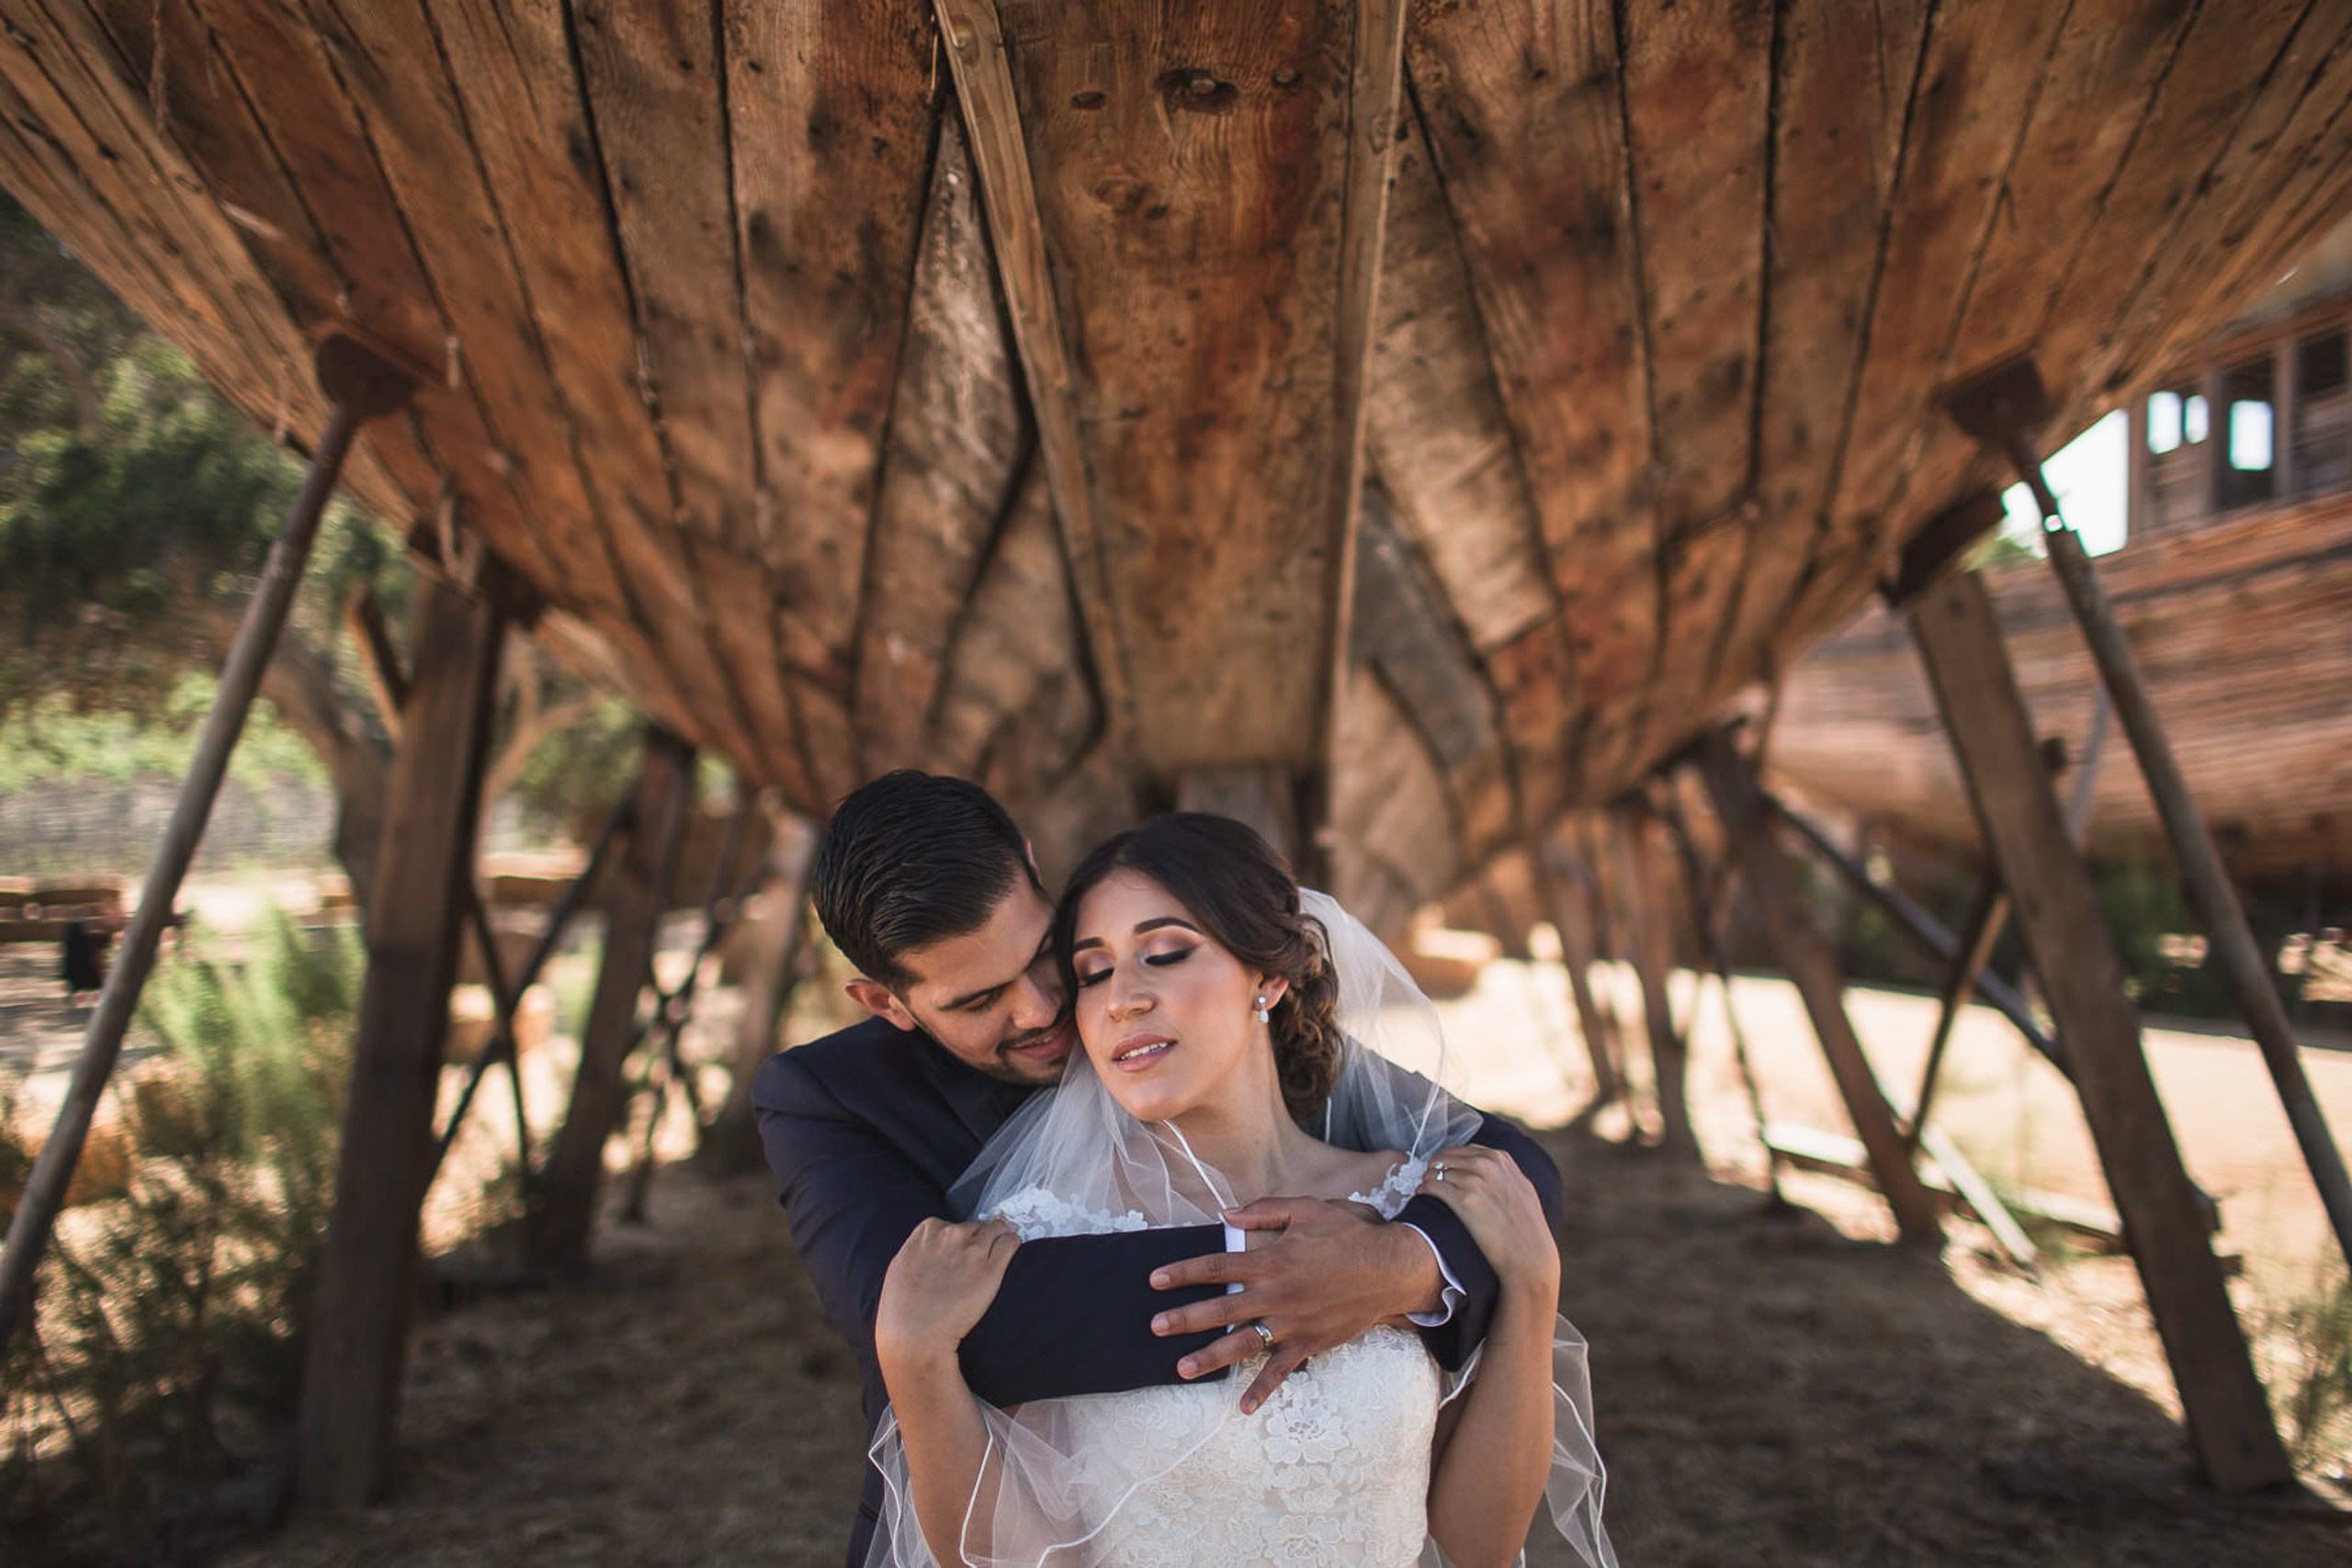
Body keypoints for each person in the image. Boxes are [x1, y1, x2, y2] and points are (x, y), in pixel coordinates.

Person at [755, 773, 1565, 1564]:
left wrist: (1417, 1261)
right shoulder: (841, 1108)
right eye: (1092, 971)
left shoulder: (1387, 1195)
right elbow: (964, 1337)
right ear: (887, 1004)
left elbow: (1510, 1171)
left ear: (1270, 975)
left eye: (1053, 960)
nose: (1055, 1009)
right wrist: (1297, 1280)